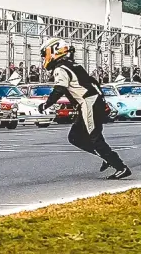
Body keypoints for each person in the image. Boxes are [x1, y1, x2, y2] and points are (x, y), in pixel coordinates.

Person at [37, 36, 130, 179]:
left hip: (88, 103)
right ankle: (106, 157)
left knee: (94, 137)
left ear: (53, 51)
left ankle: (120, 166)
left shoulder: (60, 68)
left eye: (45, 54)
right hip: (91, 102)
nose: (45, 58)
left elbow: (59, 88)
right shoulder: (74, 65)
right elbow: (93, 83)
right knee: (75, 136)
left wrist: (46, 104)